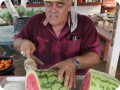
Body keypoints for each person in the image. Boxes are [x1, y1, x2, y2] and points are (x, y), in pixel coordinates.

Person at [13, 0, 101, 88]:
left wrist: (74, 62)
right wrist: (23, 43)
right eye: (49, 4)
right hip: (43, 81)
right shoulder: (34, 21)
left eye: (60, 4)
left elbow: (95, 56)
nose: (53, 10)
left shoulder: (84, 23)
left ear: (69, 5)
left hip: (75, 80)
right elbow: (17, 42)